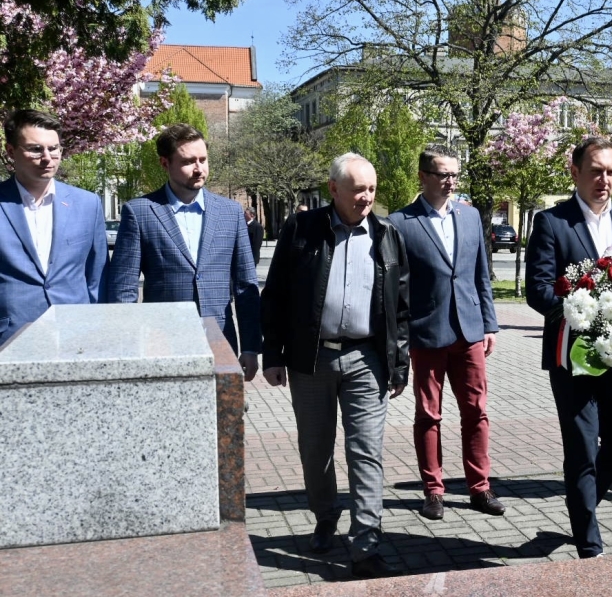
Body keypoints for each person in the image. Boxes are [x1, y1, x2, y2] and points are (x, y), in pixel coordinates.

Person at [260, 153, 410, 579]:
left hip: (367, 359)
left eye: (372, 189)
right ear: (333, 189)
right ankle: (325, 516)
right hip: (311, 358)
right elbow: (276, 294)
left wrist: (399, 364)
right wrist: (274, 355)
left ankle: (366, 546)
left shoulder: (387, 234)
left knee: (366, 452)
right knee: (315, 448)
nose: (367, 197)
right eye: (358, 189)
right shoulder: (301, 229)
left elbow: (401, 307)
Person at [525, 137, 612, 559]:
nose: (605, 179)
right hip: (572, 356)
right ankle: (589, 544)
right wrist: (584, 310)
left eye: (611, 172)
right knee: (581, 447)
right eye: (596, 171)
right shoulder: (552, 222)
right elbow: (538, 290)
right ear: (575, 172)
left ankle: (582, 503)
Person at [388, 145, 504, 521]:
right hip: (426, 333)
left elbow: (480, 274)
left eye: (454, 173)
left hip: (469, 331)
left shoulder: (469, 217)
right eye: (442, 174)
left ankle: (480, 488)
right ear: (423, 177)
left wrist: (489, 324)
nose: (450, 181)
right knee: (428, 414)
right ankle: (433, 491)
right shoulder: (400, 222)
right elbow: (395, 287)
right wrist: (400, 337)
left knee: (476, 411)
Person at [108, 124, 260, 380]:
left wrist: (250, 346)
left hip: (221, 340)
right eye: (188, 161)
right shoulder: (140, 212)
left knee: (222, 406)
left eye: (203, 159)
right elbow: (123, 288)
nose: (199, 168)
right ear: (165, 163)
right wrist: (127, 345)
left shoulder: (230, 212)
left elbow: (246, 284)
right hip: (161, 342)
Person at [0, 109, 107, 347]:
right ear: (11, 151)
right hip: (10, 336)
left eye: (54, 148)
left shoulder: (87, 204)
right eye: (36, 149)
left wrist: (97, 327)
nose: (47, 157)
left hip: (76, 335)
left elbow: (97, 276)